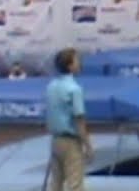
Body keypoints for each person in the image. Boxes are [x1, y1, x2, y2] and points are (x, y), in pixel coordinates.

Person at [45, 48, 92, 191]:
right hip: (70, 142)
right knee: (75, 185)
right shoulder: (74, 89)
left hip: (55, 141)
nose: (80, 63)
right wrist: (88, 145)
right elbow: (79, 120)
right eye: (77, 60)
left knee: (56, 184)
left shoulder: (51, 86)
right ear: (70, 66)